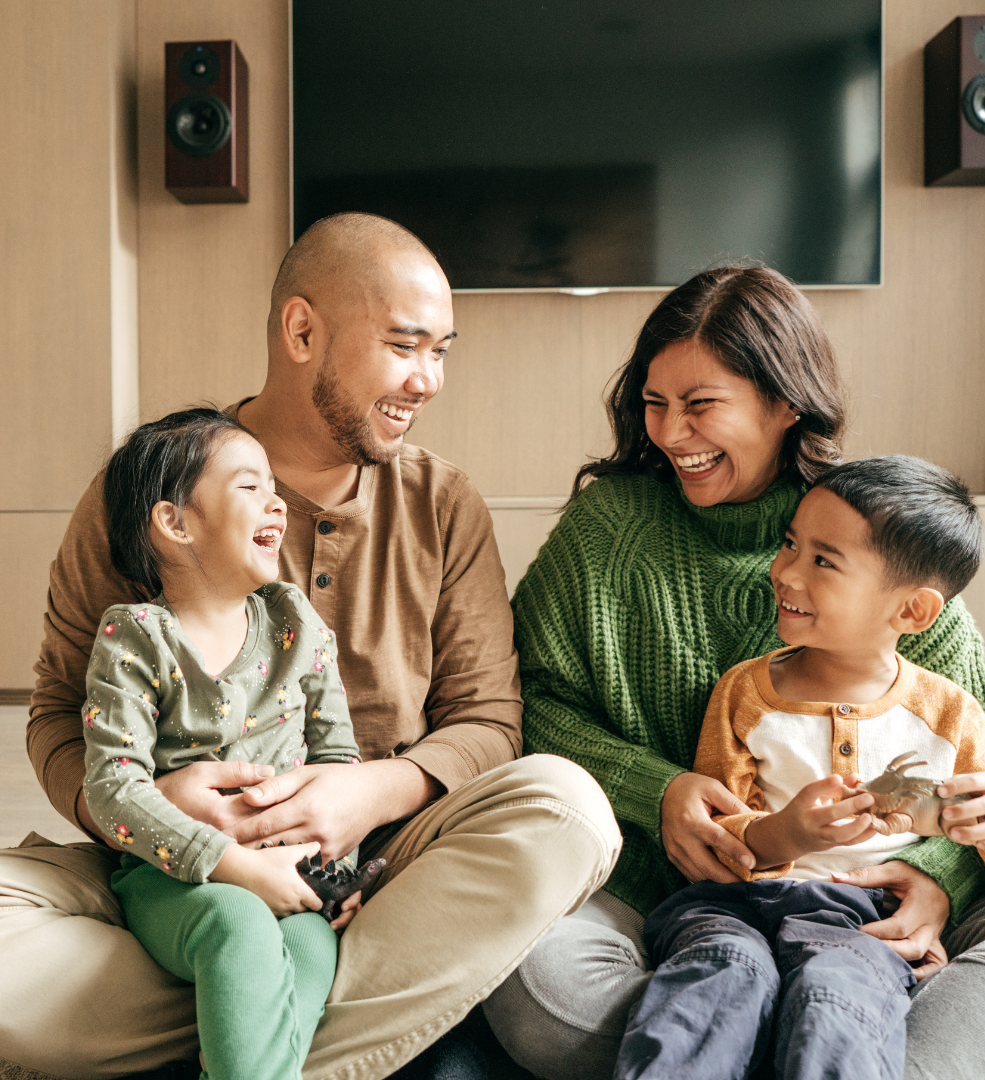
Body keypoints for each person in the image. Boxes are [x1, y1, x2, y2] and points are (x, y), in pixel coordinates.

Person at [0, 213, 622, 1080]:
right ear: (302, 331)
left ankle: (239, 1031)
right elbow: (62, 718)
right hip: (166, 866)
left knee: (568, 809)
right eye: (407, 345)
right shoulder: (151, 487)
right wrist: (161, 808)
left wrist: (365, 795)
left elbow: (487, 725)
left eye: (443, 350)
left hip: (380, 869)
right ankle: (283, 1021)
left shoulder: (445, 504)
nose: (430, 378)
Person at [482, 265, 985, 1080]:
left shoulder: (868, 524)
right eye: (654, 404)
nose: (669, 433)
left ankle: (766, 1039)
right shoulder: (608, 528)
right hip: (668, 896)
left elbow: (981, 746)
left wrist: (930, 875)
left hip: (858, 911)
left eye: (700, 405)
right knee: (528, 967)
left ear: (784, 402)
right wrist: (654, 790)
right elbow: (526, 703)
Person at [614, 456, 985, 1080]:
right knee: (712, 979)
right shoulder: (744, 692)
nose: (785, 572)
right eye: (790, 544)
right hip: (732, 907)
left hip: (864, 921)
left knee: (838, 996)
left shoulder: (949, 712)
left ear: (911, 612)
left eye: (823, 561)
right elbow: (723, 835)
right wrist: (788, 833)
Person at [83, 409, 366, 1080]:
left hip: (292, 870)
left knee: (309, 950)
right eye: (248, 486)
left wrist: (337, 866)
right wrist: (233, 867)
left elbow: (338, 764)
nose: (276, 501)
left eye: (274, 486)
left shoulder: (299, 627)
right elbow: (111, 788)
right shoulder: (136, 638)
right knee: (237, 928)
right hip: (173, 878)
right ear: (175, 523)